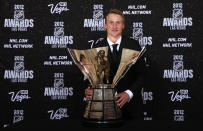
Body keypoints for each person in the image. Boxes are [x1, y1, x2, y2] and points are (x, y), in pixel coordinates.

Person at [85, 9, 146, 120]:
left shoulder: (134, 45)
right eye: (111, 22)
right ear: (105, 25)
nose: (114, 26)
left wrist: (129, 93)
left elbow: (142, 74)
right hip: (104, 107)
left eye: (118, 22)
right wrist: (89, 89)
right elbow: (93, 77)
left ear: (123, 25)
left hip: (131, 107)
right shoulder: (97, 47)